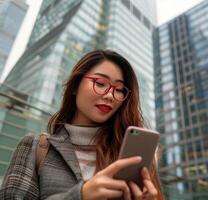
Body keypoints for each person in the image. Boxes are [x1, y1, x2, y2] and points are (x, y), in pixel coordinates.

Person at [0, 49, 164, 200]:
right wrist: (80, 195)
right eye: (100, 83)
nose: (110, 95)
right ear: (75, 86)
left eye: (119, 90)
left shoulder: (133, 157)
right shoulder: (36, 147)